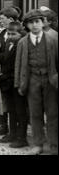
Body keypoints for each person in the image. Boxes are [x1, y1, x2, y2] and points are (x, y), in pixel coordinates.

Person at [14, 9, 58, 155]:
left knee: (52, 113)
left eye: (37, 22)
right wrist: (19, 83)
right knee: (35, 113)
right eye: (31, 23)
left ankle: (54, 145)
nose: (34, 25)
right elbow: (19, 64)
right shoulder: (22, 42)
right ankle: (38, 144)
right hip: (32, 80)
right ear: (26, 25)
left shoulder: (53, 39)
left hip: (50, 80)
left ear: (43, 22)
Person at [0, 22, 29, 148]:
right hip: (8, 83)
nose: (10, 36)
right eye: (9, 33)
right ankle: (12, 133)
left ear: (21, 34)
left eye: (14, 34)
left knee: (20, 111)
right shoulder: (8, 44)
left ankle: (22, 137)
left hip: (17, 82)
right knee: (11, 110)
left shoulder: (22, 45)